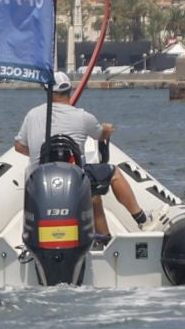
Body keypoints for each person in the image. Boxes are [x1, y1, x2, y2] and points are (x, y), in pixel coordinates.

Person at [12, 71, 150, 246]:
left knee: (94, 197)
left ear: (48, 92)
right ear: (69, 91)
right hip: (75, 176)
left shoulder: (32, 115)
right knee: (113, 173)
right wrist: (107, 129)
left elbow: (18, 146)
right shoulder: (84, 117)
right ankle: (141, 219)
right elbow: (101, 135)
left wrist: (39, 154)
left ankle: (105, 237)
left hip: (40, 178)